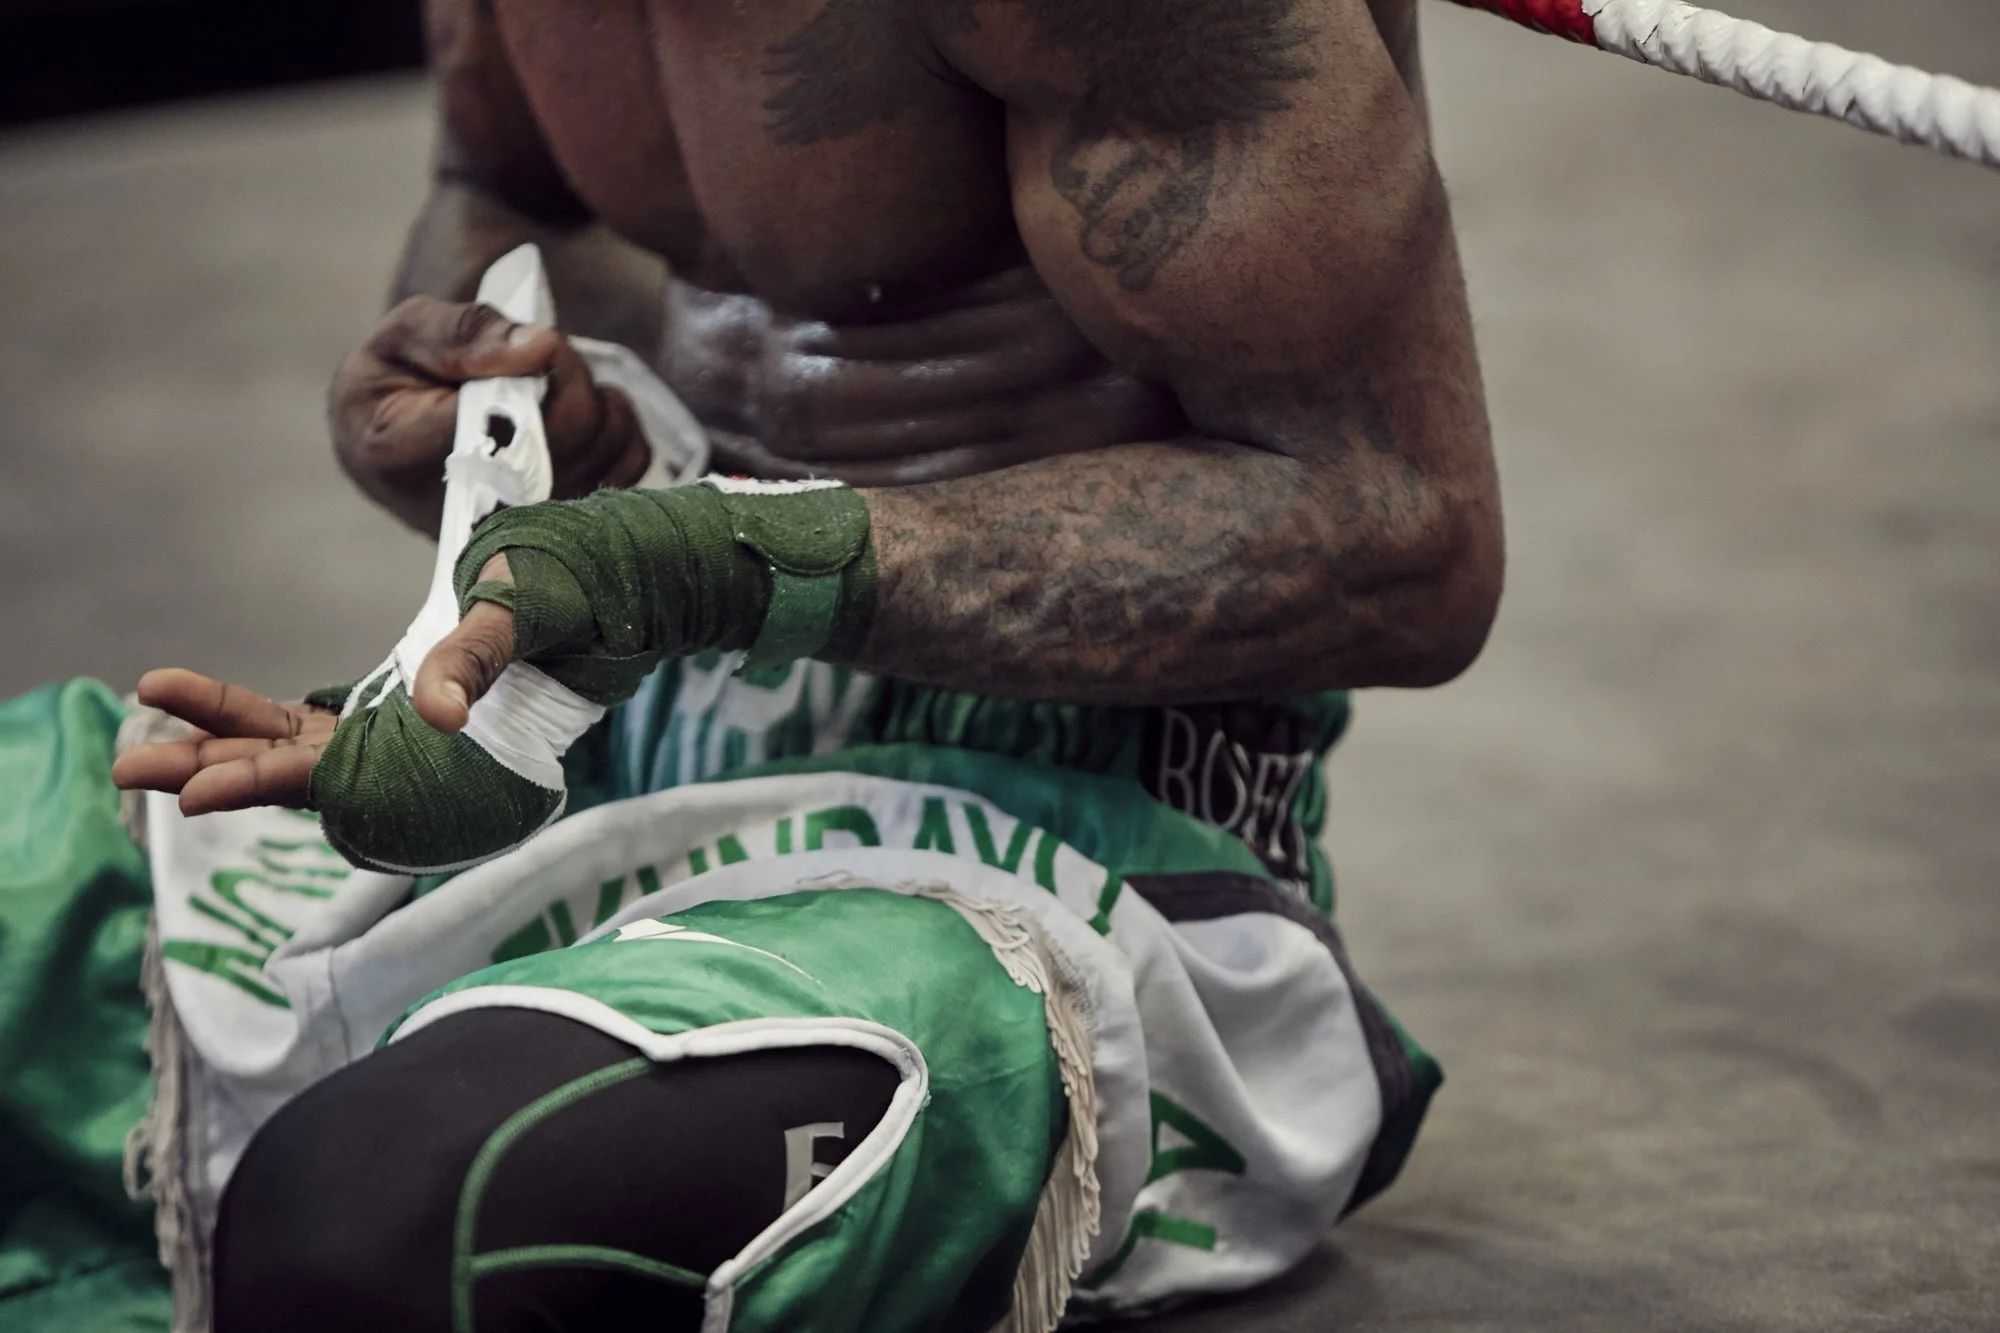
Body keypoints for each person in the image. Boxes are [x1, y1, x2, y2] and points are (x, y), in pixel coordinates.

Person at [3, 0, 1499, 1328]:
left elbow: (1396, 530)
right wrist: (512, 442)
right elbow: (509, 203)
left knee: (384, 1227)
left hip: (1050, 856)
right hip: (613, 739)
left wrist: (719, 560)